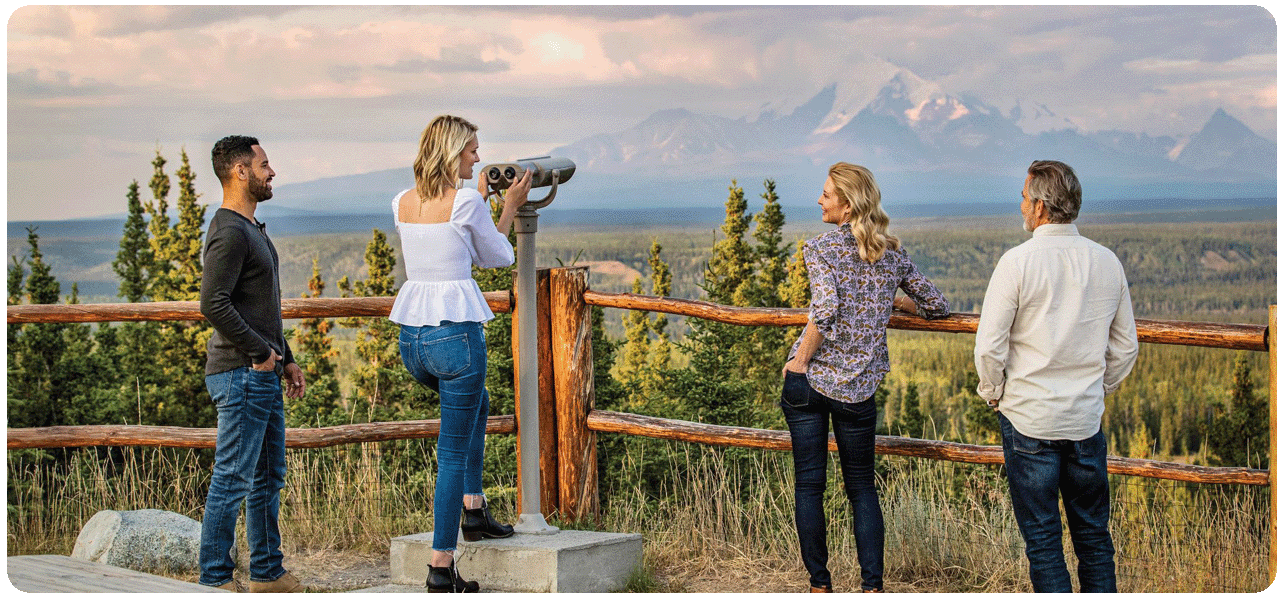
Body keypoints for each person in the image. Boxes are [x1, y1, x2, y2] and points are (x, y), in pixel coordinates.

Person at [782, 162, 950, 593]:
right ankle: (872, 586)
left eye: (826, 194)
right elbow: (937, 304)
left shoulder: (819, 249)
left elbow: (824, 311)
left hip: (812, 383)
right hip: (859, 389)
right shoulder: (891, 253)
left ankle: (820, 584)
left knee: (809, 484)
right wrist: (901, 304)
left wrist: (800, 362)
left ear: (847, 203)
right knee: (862, 490)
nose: (819, 200)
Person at [973, 160, 1139, 593]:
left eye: (1025, 197)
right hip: (1084, 422)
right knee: (1094, 539)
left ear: (1042, 207)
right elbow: (1126, 347)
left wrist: (994, 394)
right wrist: (1098, 390)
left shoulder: (1017, 263)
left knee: (1044, 543)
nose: (1021, 205)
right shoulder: (1107, 262)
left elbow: (990, 346)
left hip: (1029, 421)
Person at [390, 114, 533, 593]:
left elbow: (449, 245)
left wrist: (483, 208)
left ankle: (474, 510)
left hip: (413, 340)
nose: (478, 157)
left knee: (479, 405)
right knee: (450, 452)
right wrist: (509, 206)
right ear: (453, 152)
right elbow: (498, 256)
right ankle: (441, 566)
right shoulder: (467, 200)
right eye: (472, 149)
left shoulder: (403, 202)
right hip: (455, 336)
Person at [199, 135, 307, 593]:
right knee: (233, 478)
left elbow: (263, 306)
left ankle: (267, 574)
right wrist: (261, 353)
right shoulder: (229, 230)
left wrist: (286, 361)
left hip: (261, 372)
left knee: (267, 477)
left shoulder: (250, 228)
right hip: (241, 373)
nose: (272, 171)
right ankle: (215, 580)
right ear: (240, 171)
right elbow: (213, 303)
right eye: (264, 163)